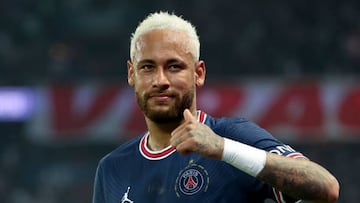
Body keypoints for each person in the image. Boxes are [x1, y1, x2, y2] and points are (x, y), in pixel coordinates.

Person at [92, 11, 339, 203]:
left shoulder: (231, 136)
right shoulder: (112, 168)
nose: (160, 80)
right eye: (147, 67)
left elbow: (326, 187)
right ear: (131, 73)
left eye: (174, 66)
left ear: (198, 73)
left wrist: (223, 149)